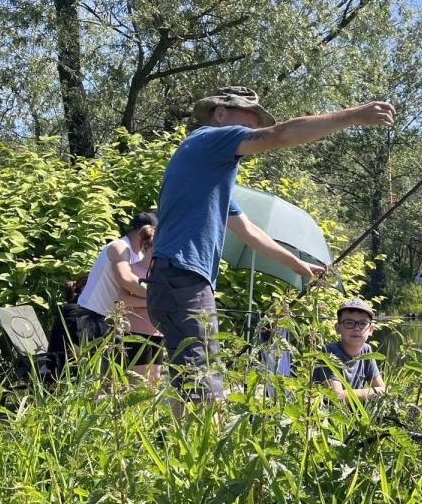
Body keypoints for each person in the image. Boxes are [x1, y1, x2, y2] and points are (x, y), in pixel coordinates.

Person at [147, 85, 395, 400]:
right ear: (220, 113)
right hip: (184, 277)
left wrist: (301, 266)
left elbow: (250, 232)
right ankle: (202, 448)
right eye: (247, 123)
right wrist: (355, 116)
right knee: (204, 384)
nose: (252, 132)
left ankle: (178, 444)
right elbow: (280, 135)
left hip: (173, 279)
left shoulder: (210, 175)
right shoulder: (210, 139)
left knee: (189, 379)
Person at [74, 211, 160, 358]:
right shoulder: (120, 247)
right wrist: (159, 297)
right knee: (84, 372)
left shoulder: (141, 256)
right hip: (91, 316)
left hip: (112, 321)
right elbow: (126, 279)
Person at [312, 298, 385, 400]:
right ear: (337, 328)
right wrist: (376, 392)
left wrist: (380, 391)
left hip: (352, 413)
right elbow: (337, 396)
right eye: (349, 323)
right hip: (328, 413)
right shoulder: (328, 352)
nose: (356, 328)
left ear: (371, 330)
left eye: (363, 323)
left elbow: (383, 389)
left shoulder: (366, 350)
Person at [118, 222, 163, 382]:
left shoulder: (161, 273)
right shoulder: (133, 269)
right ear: (148, 247)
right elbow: (123, 300)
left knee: (155, 379)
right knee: (138, 382)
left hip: (158, 331)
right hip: (137, 332)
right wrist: (153, 302)